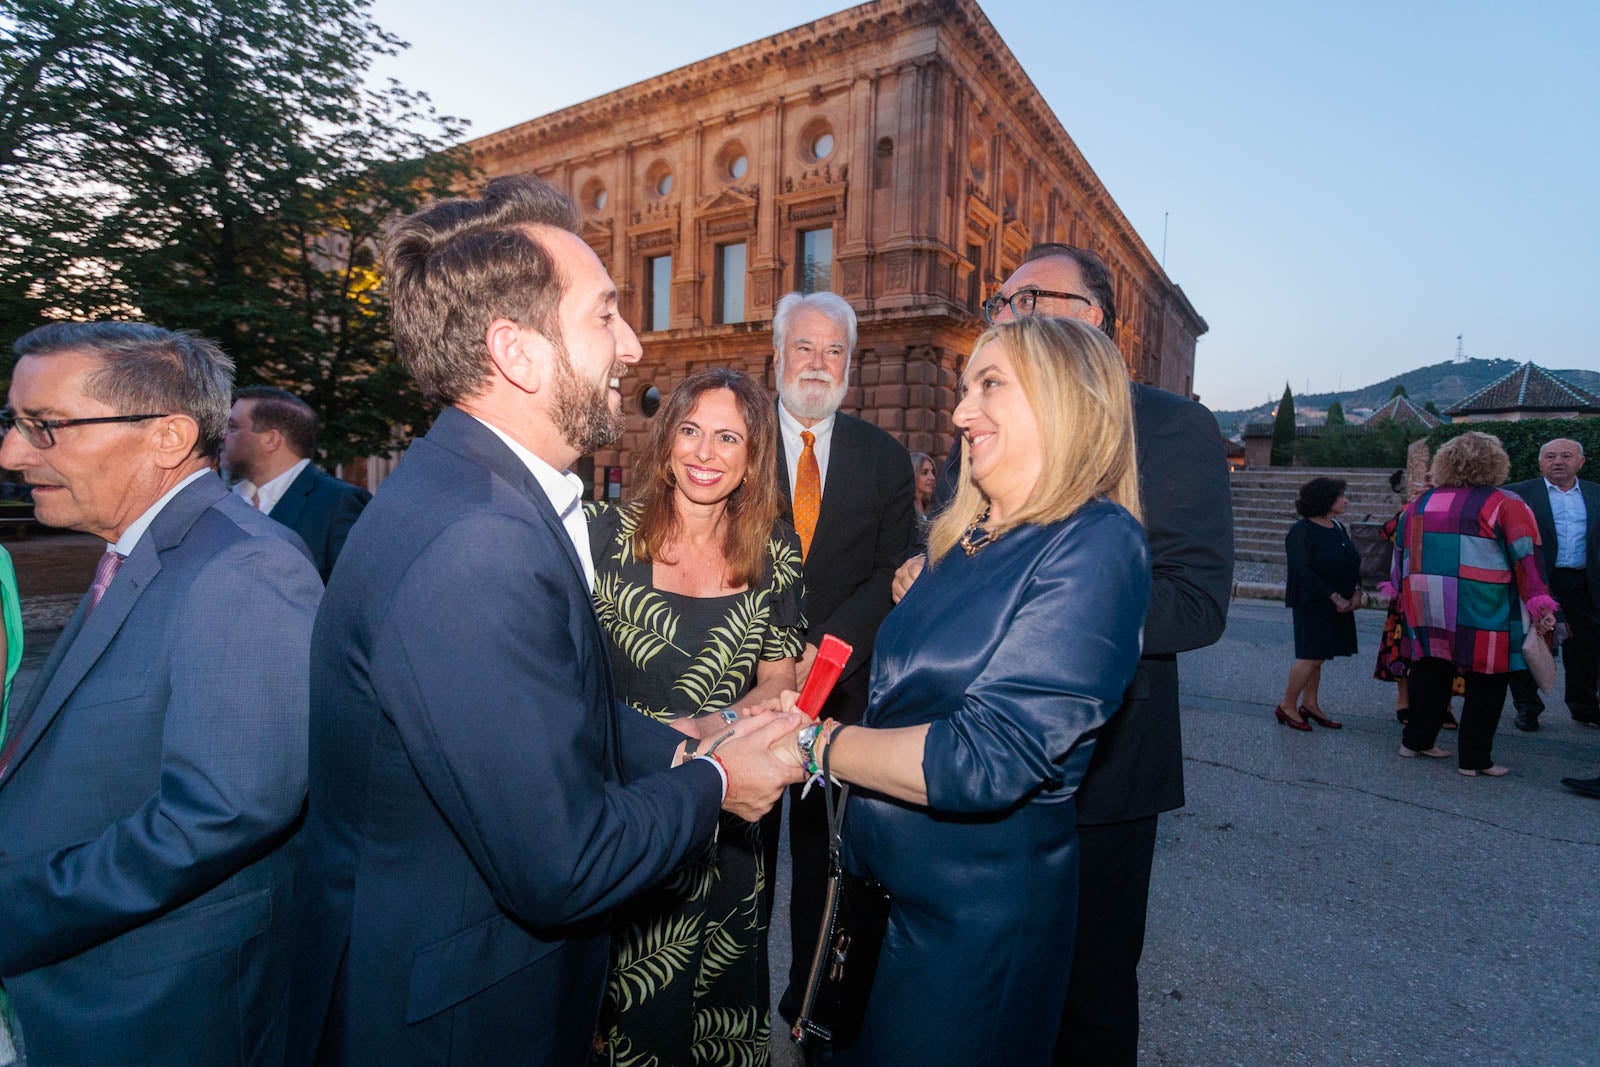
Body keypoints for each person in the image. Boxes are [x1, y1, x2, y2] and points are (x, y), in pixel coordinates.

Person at [287, 175, 803, 1065]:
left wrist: (676, 742)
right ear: (517, 352)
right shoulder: (477, 540)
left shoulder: (477, 491)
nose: (634, 347)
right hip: (450, 1020)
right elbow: (563, 863)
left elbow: (545, 719)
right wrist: (717, 783)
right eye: (606, 316)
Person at [895, 243, 1233, 1065]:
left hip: (1102, 771)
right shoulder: (985, 418)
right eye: (999, 304)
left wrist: (1053, 624)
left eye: (1028, 299)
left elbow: (1195, 602)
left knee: (1088, 999)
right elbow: (957, 545)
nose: (1006, 314)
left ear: (1093, 319)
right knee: (970, 988)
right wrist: (928, 571)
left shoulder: (1171, 425)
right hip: (964, 751)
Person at [782, 315, 1149, 1064]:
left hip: (970, 932)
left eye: (989, 385)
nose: (959, 413)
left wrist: (812, 744)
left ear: (1064, 400)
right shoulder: (967, 537)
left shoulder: (1097, 541)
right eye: (962, 387)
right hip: (878, 906)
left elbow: (985, 758)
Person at [0, 321, 321, 1064]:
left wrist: (16, 905)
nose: (14, 453)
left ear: (167, 435)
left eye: (45, 427)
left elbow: (220, 811)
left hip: (153, 1006)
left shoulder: (243, 569)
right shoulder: (144, 549)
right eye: (15, 425)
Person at [586, 368, 805, 1064]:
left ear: (751, 457)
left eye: (727, 437)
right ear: (667, 439)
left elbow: (779, 678)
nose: (705, 452)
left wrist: (708, 727)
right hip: (625, 807)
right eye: (690, 430)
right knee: (626, 1014)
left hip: (727, 816)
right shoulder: (601, 537)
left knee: (718, 1012)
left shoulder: (774, 548)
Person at [765, 290, 915, 1023]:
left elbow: (894, 567)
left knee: (825, 869)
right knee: (738, 862)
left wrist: (821, 654)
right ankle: (726, 1014)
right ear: (778, 356)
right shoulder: (735, 441)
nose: (817, 364)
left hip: (845, 696)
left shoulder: (883, 458)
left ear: (850, 366)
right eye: (804, 347)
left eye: (833, 352)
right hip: (746, 693)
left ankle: (810, 1008)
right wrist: (773, 653)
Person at [1390, 432, 1558, 776]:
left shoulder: (1419, 504)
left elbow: (1399, 558)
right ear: (1495, 462)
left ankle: (1416, 741)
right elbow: (1525, 556)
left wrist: (1401, 592)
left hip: (1427, 600)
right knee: (1488, 678)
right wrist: (1538, 602)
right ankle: (1474, 760)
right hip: (1484, 601)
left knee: (1430, 669)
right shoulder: (1506, 503)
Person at [221, 385, 372, 582]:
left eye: (232, 427)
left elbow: (354, 595)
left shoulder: (338, 503)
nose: (221, 435)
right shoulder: (227, 501)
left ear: (271, 440)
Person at [1505, 437, 1598, 731]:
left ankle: (1583, 706)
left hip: (1584, 582)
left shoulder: (1596, 494)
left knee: (1586, 648)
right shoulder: (1517, 494)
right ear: (1540, 462)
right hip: (1536, 581)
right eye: (1551, 456)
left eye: (1567, 456)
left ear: (1581, 462)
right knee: (1532, 644)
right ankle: (1527, 707)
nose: (1558, 461)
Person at [1276, 477, 1360, 730]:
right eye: (1341, 496)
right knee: (1311, 656)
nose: (1346, 501)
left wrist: (1356, 592)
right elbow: (1303, 571)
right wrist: (1334, 597)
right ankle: (1287, 705)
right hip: (1313, 602)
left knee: (1319, 655)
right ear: (1325, 500)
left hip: (1340, 602)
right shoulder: (1300, 532)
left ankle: (1310, 704)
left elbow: (1352, 561)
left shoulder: (1337, 527)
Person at [910, 450, 937, 545]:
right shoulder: (904, 508)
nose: (932, 477)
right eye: (924, 473)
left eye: (932, 472)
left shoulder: (930, 505)